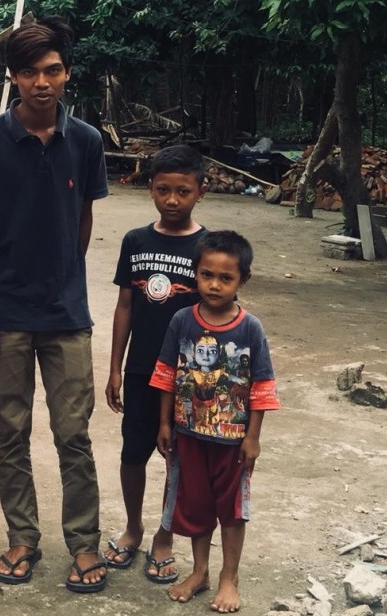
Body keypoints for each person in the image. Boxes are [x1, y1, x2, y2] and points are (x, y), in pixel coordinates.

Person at [0, 17, 109, 591]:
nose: (41, 83)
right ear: (13, 77)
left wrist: (67, 275)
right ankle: (23, 539)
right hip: (7, 314)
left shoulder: (87, 141)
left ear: (66, 73)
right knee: (11, 430)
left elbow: (84, 219)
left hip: (68, 315)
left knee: (74, 434)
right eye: (28, 72)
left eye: (52, 70)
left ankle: (85, 545)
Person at [151, 230, 279, 613]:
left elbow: (261, 385)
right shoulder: (181, 321)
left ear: (243, 280)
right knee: (196, 505)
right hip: (188, 436)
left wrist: (252, 438)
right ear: (195, 273)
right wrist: (164, 424)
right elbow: (166, 375)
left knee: (232, 510)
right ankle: (201, 571)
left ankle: (229, 577)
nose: (214, 285)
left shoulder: (249, 328)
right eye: (207, 275)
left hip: (232, 442)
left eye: (226, 278)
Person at [103, 145, 207, 582]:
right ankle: (133, 527)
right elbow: (125, 304)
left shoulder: (209, 247)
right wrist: (114, 367)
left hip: (187, 377)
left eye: (182, 191)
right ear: (150, 190)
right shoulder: (136, 241)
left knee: (176, 458)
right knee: (133, 454)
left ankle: (164, 536)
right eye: (163, 190)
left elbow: (216, 314)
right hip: (142, 369)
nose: (172, 200)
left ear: (200, 192)